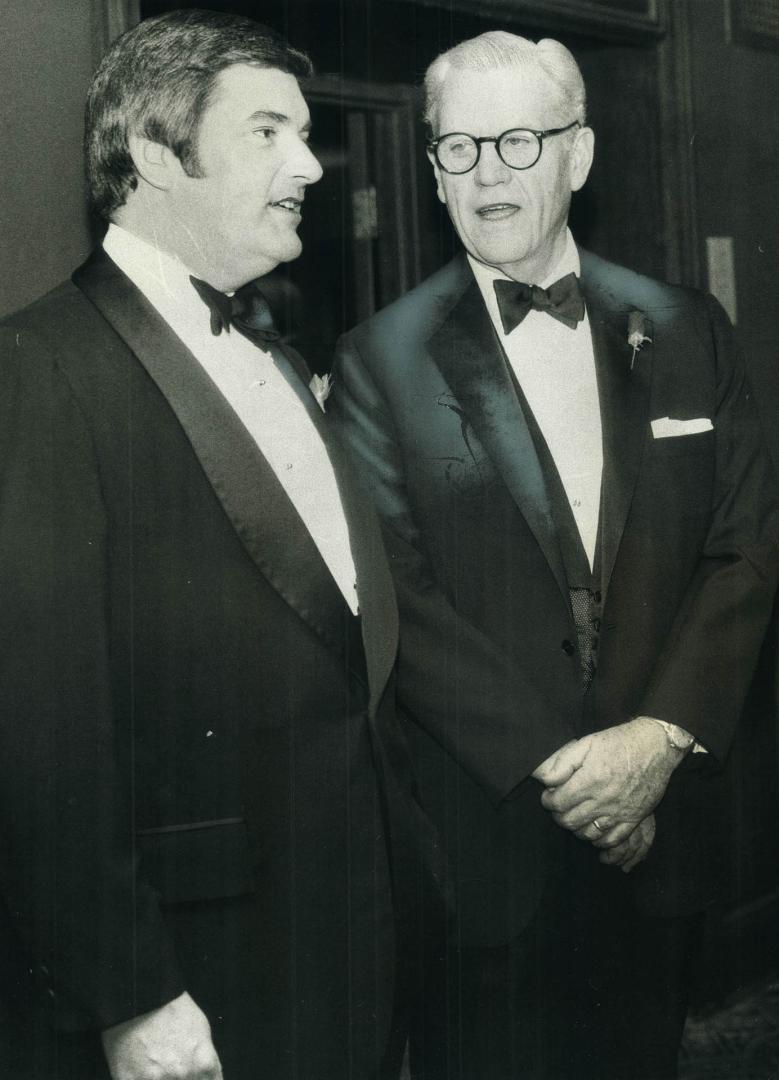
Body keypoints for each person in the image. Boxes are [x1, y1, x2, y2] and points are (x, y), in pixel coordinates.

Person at [330, 30, 779, 1080]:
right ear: (432, 169)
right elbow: (398, 595)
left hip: (659, 831)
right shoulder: (378, 360)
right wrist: (573, 778)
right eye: (458, 147)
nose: (486, 173)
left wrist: (653, 746)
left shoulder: (686, 328)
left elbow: (742, 548)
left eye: (517, 142)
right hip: (486, 850)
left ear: (577, 156)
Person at [0, 10, 432, 1080]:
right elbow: (41, 720)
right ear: (155, 154)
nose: (309, 167)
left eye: (303, 132)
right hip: (198, 966)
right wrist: (127, 993)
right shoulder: (38, 369)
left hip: (348, 927)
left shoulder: (276, 354)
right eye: (267, 132)